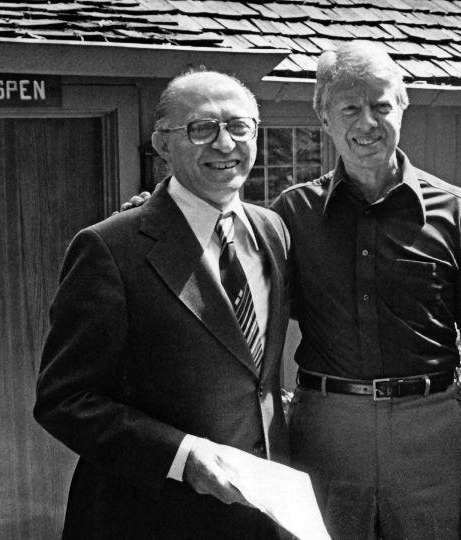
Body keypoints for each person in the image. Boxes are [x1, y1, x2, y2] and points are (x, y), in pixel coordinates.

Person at [34, 69, 292, 539]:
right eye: (201, 128)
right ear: (162, 144)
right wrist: (183, 456)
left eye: (239, 126)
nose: (224, 143)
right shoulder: (111, 247)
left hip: (259, 516)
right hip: (151, 516)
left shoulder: (271, 230)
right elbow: (64, 400)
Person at [270, 42, 461, 539]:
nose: (367, 123)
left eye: (380, 105)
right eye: (350, 108)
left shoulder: (458, 211)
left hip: (431, 435)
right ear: (324, 116)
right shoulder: (291, 215)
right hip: (327, 435)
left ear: (403, 105)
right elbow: (260, 336)